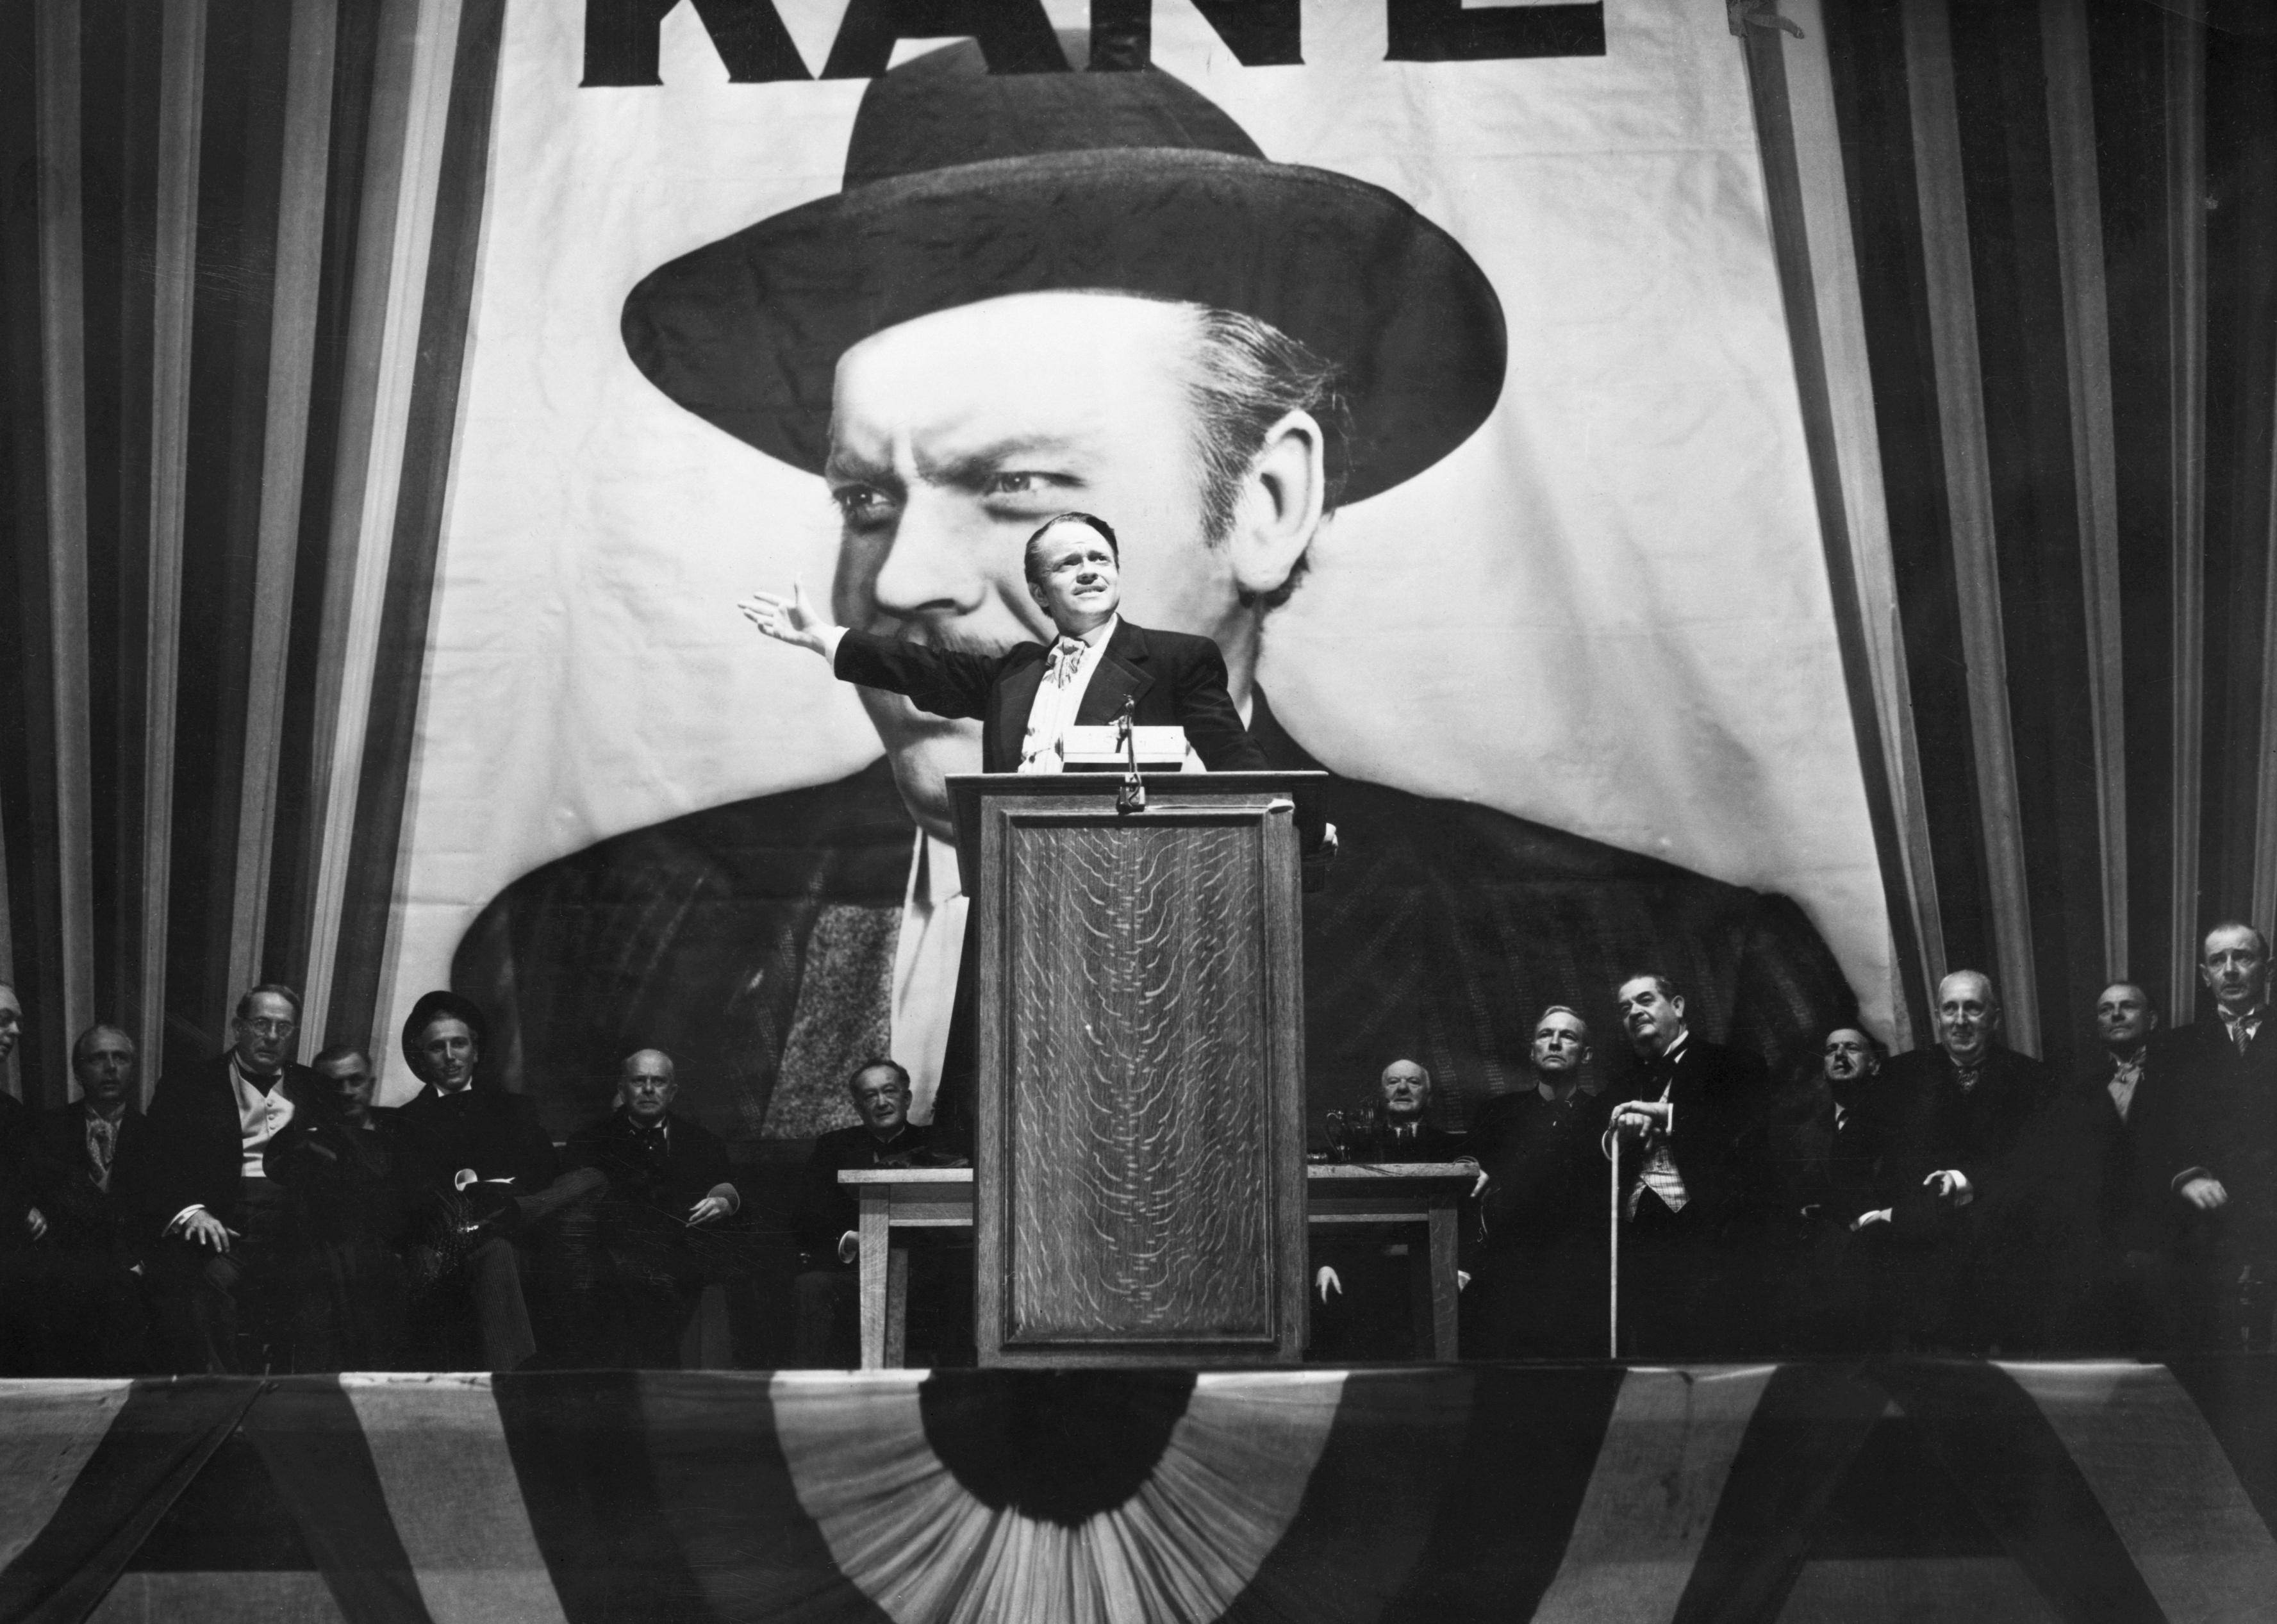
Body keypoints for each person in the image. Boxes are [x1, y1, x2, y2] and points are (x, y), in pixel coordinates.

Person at [448, 37, 1859, 1158]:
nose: (907, 580)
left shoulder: (1675, 967)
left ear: (1266, 504)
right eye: (868, 500)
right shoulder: (578, 962)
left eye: (1014, 489)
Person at [1839, 970, 2057, 1352]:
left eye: (1973, 1009)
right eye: (1950, 1009)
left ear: (1995, 1017)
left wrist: (1967, 1180)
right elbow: (1847, 1154)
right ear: (1938, 1016)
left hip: (1998, 1245)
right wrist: (1866, 1214)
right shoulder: (1898, 1075)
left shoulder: (2032, 1079)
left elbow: (2038, 1162)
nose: (1960, 1021)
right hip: (1909, 1245)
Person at [115, 984, 318, 1372]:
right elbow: (154, 1166)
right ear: (238, 1027)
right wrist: (193, 1213)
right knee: (198, 1284)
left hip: (295, 1232)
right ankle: (220, 1398)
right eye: (261, 1024)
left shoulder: (314, 1087)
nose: (272, 1037)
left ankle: (305, 1405)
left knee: (339, 1276)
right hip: (225, 1228)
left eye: (283, 1027)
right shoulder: (188, 1085)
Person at [392, 991, 588, 1370]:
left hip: (523, 1231)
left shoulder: (515, 1109)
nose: (450, 1056)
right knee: (495, 1250)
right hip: (452, 1245)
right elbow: (414, 1200)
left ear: (476, 1052)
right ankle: (512, 1379)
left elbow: (544, 1174)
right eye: (437, 1048)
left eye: (459, 1043)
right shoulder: (404, 1123)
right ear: (422, 1059)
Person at [1606, 973, 1771, 1358]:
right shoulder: (1621, 1084)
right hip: (1639, 1241)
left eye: (1645, 1000)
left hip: (1712, 1236)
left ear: (1677, 1007)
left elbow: (1745, 1126)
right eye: (1625, 1008)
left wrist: (1665, 1114)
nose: (1634, 1012)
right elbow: (1595, 1145)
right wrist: (1619, 1135)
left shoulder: (1733, 1064)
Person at [2131, 923, 2277, 1350]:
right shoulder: (2173, 1049)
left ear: (2267, 970)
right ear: (2204, 974)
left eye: (2242, 957)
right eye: (2218, 961)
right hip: (2202, 1218)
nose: (2229, 970)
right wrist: (2186, 1175)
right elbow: (2149, 1131)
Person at [563, 1049, 743, 1368]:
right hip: (614, 1258)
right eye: (638, 1081)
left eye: (658, 1081)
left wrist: (725, 1202)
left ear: (672, 1091)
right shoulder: (588, 1142)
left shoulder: (704, 1143)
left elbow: (729, 1191)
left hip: (685, 1254)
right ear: (622, 1089)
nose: (648, 1089)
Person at [262, 1045, 431, 1370]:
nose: (346, 1092)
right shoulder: (300, 1140)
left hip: (398, 1250)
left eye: (356, 1080)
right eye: (333, 1084)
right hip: (334, 1254)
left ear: (371, 1082)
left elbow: (420, 1199)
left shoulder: (401, 1129)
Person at [1464, 1009, 1616, 1358]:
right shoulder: (1496, 1112)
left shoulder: (1605, 1115)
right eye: (1546, 1035)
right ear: (1532, 1051)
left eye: (1568, 1036)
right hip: (1506, 1269)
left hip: (1578, 1274)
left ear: (1587, 1054)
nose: (1555, 1042)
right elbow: (1466, 1177)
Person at [3, 1024, 149, 1373]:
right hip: (65, 1273)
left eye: (121, 1058)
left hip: (134, 1270)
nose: (111, 1068)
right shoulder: (42, 1129)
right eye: (98, 1059)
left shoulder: (157, 1135)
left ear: (133, 1068)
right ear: (79, 1072)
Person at [1310, 1059, 1473, 1361]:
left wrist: (1460, 1267)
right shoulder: (1353, 1145)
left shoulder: (1454, 1148)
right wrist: (1326, 1262)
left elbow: (1470, 1211)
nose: (1402, 1089)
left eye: (1413, 1082)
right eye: (1393, 1082)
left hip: (1432, 1272)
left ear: (1429, 1095)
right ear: (1381, 1092)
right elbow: (1333, 1208)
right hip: (1365, 1274)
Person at [790, 1059, 948, 1366]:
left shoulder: (935, 1145)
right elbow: (808, 1214)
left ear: (907, 1098)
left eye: (889, 1091)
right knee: (810, 1287)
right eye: (870, 1096)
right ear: (858, 1108)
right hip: (854, 1272)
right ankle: (806, 1398)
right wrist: (850, 1239)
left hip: (920, 1274)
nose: (881, 1103)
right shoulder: (833, 1148)